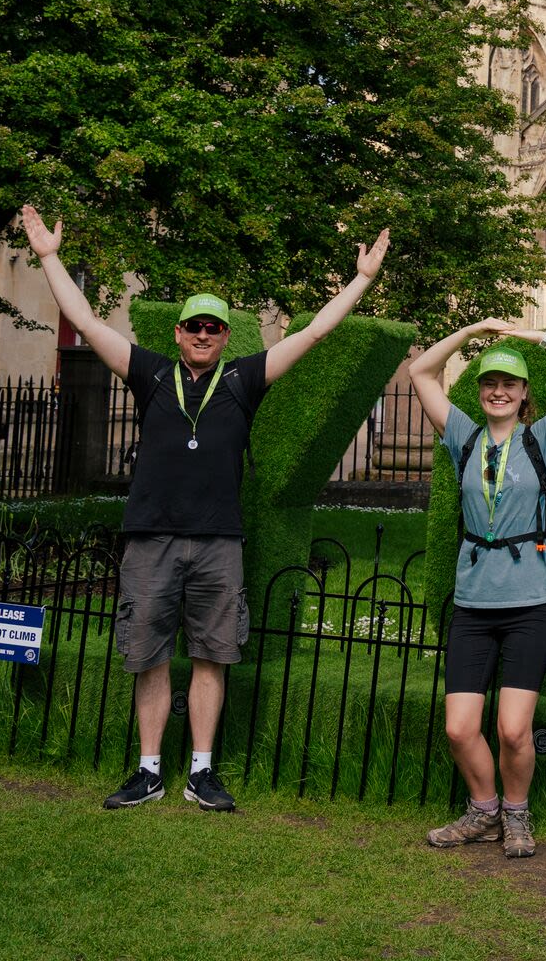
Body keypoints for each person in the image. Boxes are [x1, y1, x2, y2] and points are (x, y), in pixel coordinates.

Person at [20, 204, 390, 813]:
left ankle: (201, 770)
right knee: (149, 655)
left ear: (224, 337)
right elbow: (84, 319)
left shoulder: (244, 380)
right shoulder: (150, 375)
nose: (202, 335)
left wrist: (362, 281)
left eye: (213, 328)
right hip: (151, 538)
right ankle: (147, 770)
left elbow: (314, 333)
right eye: (193, 326)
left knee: (213, 657)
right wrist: (50, 258)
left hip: (218, 540)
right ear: (177, 333)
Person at [410, 321, 546, 859]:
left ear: (523, 395)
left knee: (514, 730)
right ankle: (484, 811)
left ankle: (517, 817)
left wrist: (537, 339)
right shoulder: (463, 435)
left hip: (530, 604)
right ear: (480, 391)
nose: (498, 391)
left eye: (509, 384)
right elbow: (421, 371)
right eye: (490, 383)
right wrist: (473, 330)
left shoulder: (542, 437)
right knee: (458, 728)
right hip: (473, 603)